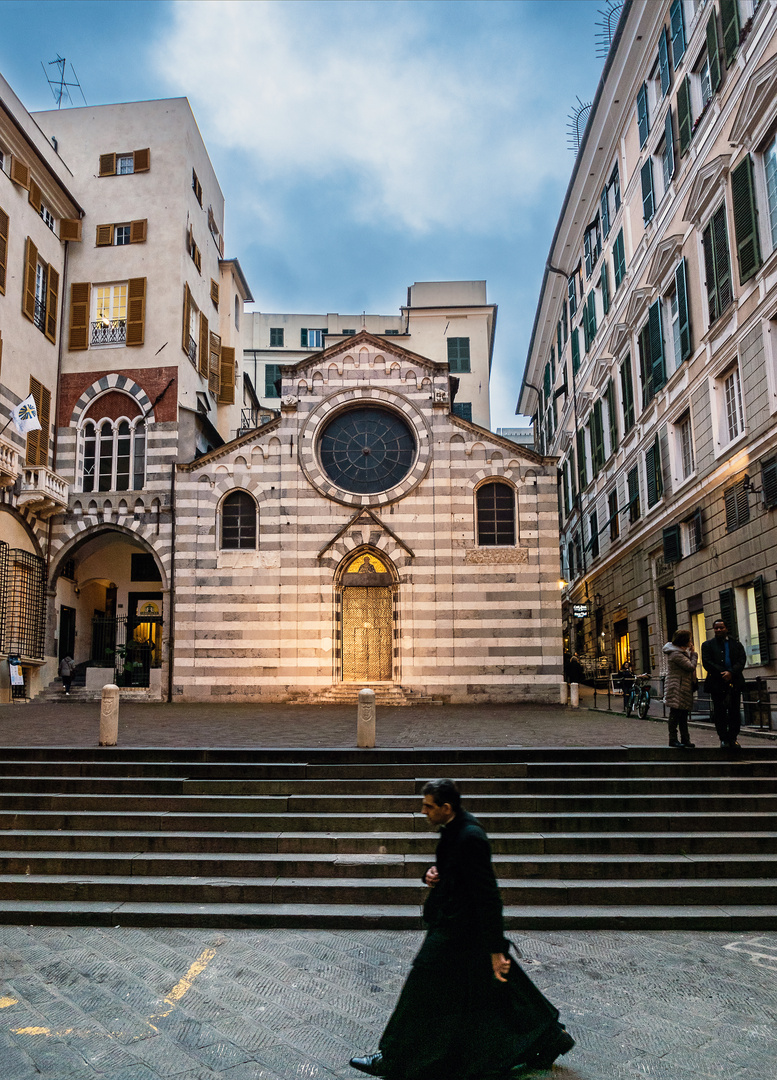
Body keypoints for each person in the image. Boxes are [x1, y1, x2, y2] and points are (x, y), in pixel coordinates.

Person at [349, 779, 574, 1079]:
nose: (423, 811)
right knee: (498, 987)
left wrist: (496, 949)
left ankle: (392, 1058)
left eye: (428, 806)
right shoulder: (454, 830)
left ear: (446, 807)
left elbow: (488, 896)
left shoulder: (471, 837)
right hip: (455, 924)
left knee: (420, 987)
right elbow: (453, 871)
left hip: (460, 931)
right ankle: (549, 1038)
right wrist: (430, 875)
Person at [701, 619, 747, 749]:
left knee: (734, 712)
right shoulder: (708, 645)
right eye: (716, 628)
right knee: (719, 712)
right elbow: (707, 662)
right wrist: (723, 673)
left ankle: (733, 738)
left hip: (734, 683)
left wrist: (731, 672)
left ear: (726, 628)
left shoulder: (736, 644)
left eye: (721, 628)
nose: (719, 630)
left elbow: (741, 660)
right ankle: (723, 738)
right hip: (717, 683)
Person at [662, 630, 697, 748]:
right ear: (684, 641)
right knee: (675, 714)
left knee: (683, 714)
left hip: (683, 687)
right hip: (677, 687)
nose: (691, 642)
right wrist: (694, 654)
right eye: (689, 639)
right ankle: (673, 739)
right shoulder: (676, 654)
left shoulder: (680, 652)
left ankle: (685, 739)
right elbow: (690, 667)